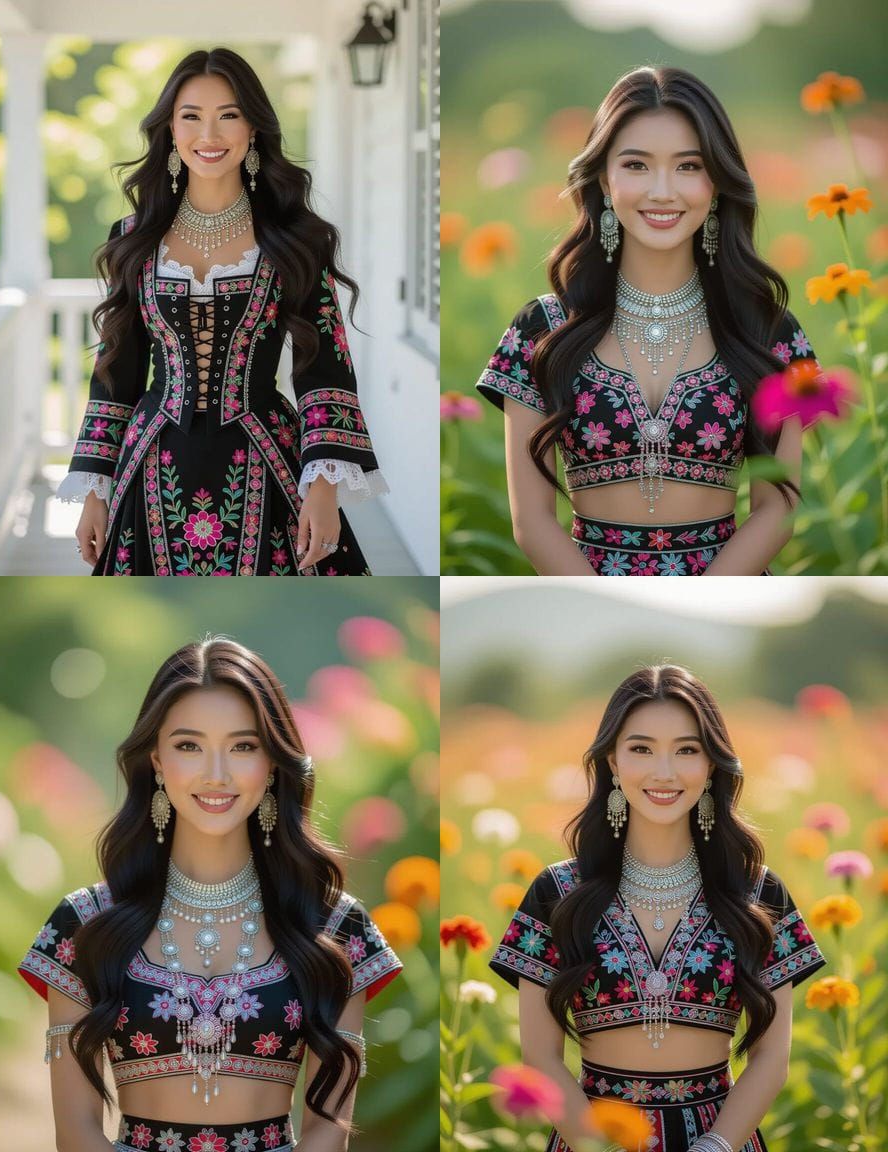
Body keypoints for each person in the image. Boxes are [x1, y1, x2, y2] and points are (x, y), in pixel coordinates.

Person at [18, 639, 402, 1151]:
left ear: (272, 764)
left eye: (243, 746)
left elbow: (327, 1133)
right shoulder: (84, 923)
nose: (216, 774)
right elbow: (76, 1132)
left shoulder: (332, 927)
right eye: (188, 745)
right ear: (155, 759)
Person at [476, 66, 822, 576]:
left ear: (720, 181)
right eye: (637, 165)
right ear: (602, 177)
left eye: (688, 166)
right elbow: (531, 522)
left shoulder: (768, 331)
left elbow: (777, 510)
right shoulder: (544, 328)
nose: (663, 191)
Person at [62, 47, 387, 575]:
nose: (209, 135)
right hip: (151, 465)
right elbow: (115, 370)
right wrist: (95, 491)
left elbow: (323, 368)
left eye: (228, 116)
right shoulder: (133, 238)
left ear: (253, 128)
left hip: (265, 458)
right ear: (170, 128)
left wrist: (324, 488)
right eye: (191, 116)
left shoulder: (295, 239)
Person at [488, 665, 827, 1152]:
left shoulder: (757, 893)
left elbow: (773, 1058)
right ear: (611, 760)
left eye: (687, 750)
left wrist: (716, 1145)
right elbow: (540, 1057)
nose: (664, 772)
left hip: (721, 1139)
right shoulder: (558, 892)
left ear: (712, 765)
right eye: (641, 748)